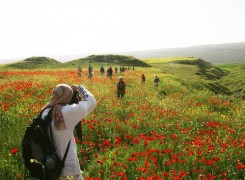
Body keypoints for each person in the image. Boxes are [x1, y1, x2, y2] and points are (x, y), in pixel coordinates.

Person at [41, 84, 97, 179]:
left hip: (51, 166)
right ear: (67, 97)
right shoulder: (66, 112)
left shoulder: (44, 111)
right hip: (69, 168)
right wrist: (79, 87)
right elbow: (92, 101)